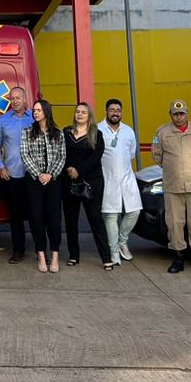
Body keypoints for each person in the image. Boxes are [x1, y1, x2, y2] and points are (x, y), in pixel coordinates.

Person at [154, 99, 191, 276]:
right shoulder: (162, 132)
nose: (178, 117)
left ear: (187, 114)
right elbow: (157, 154)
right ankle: (178, 257)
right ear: (170, 115)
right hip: (173, 185)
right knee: (174, 223)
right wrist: (173, 168)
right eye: (175, 114)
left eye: (181, 113)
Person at [63, 102, 112, 269]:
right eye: (77, 111)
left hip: (92, 183)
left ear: (89, 115)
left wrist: (79, 170)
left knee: (95, 219)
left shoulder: (96, 134)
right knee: (71, 220)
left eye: (83, 112)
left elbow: (95, 157)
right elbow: (62, 153)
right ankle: (73, 255)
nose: (80, 114)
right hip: (70, 183)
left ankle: (106, 257)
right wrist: (70, 169)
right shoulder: (66, 132)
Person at [21, 99, 66, 273]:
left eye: (38, 110)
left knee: (54, 219)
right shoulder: (27, 132)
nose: (35, 113)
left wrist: (51, 175)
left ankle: (54, 255)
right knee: (36, 218)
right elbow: (25, 155)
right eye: (34, 110)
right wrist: (39, 175)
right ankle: (41, 254)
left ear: (46, 111)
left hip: (53, 182)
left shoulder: (58, 133)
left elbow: (62, 157)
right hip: (34, 181)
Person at [98, 99, 142, 269]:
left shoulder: (128, 131)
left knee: (134, 211)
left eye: (118, 110)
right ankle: (114, 251)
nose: (115, 113)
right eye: (112, 110)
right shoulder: (98, 129)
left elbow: (131, 153)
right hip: (106, 179)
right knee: (110, 216)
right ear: (106, 112)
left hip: (127, 178)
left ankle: (122, 241)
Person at [0, 86, 32, 263]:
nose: (15, 101)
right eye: (12, 98)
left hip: (33, 175)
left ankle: (41, 249)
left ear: (24, 99)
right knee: (15, 215)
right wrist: (1, 167)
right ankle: (18, 249)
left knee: (36, 213)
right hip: (12, 175)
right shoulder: (2, 121)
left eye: (18, 98)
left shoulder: (35, 118)